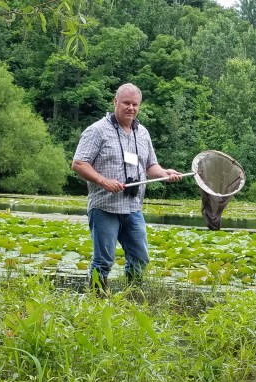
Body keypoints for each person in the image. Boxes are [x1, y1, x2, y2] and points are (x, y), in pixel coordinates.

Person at [71, 83, 182, 295]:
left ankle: (131, 295)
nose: (131, 108)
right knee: (104, 260)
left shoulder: (143, 133)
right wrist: (104, 181)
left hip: (133, 208)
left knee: (140, 257)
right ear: (115, 102)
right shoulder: (97, 131)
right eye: (126, 103)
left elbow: (150, 166)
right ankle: (96, 302)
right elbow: (79, 163)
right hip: (104, 208)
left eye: (135, 104)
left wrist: (165, 173)